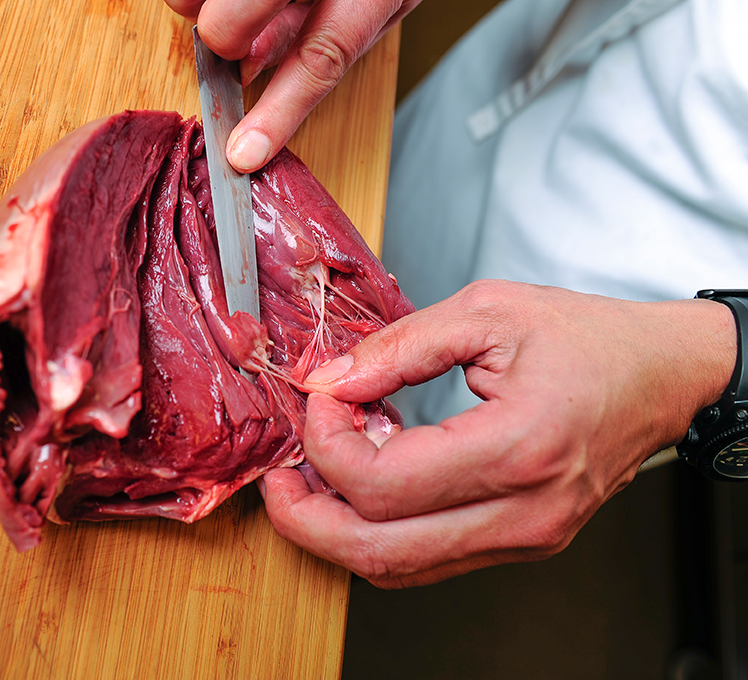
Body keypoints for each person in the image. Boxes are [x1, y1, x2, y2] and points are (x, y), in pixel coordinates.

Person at [164, 0, 747, 588]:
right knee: (384, 194)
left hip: (650, 292)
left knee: (395, 440)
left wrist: (706, 365)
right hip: (585, 43)